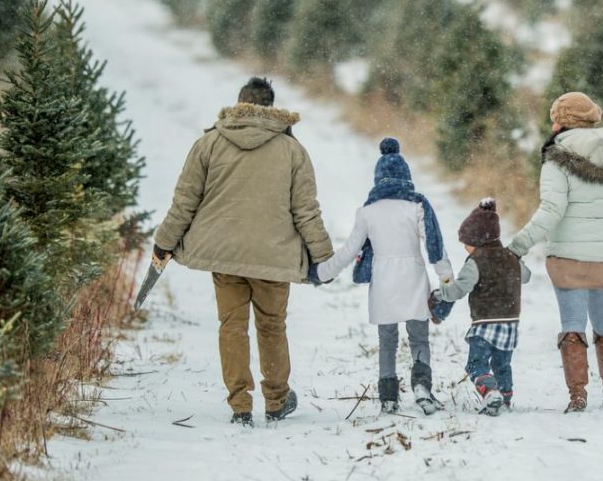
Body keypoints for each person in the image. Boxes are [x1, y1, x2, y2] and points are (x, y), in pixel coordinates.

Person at [153, 77, 334, 427]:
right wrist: (323, 257)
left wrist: (164, 242)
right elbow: (306, 211)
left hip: (226, 254)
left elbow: (184, 201)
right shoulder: (292, 150)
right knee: (271, 327)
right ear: (271, 108)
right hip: (274, 256)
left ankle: (240, 405)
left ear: (239, 104)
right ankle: (277, 400)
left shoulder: (209, 143)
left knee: (231, 327)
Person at [507, 91, 603, 413]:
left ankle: (578, 396)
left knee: (572, 326)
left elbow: (552, 210)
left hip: (568, 259)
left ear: (562, 121)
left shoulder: (557, 158)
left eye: (555, 117)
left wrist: (516, 247)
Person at [311, 138, 453, 415]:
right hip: (413, 276)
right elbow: (434, 245)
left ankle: (388, 397)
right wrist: (447, 281)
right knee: (419, 339)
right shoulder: (417, 205)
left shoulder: (367, 212)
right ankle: (422, 386)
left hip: (383, 281)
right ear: (406, 175)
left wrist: (322, 272)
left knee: (387, 341)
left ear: (378, 178)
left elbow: (350, 250)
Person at [431, 198, 531, 416]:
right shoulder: (510, 257)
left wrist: (442, 291)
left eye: (466, 243)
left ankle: (490, 392)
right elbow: (526, 276)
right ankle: (504, 398)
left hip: (485, 323)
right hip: (510, 323)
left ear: (477, 241)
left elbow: (458, 290)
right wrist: (516, 261)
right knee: (502, 364)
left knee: (477, 364)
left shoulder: (475, 261)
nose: (466, 248)